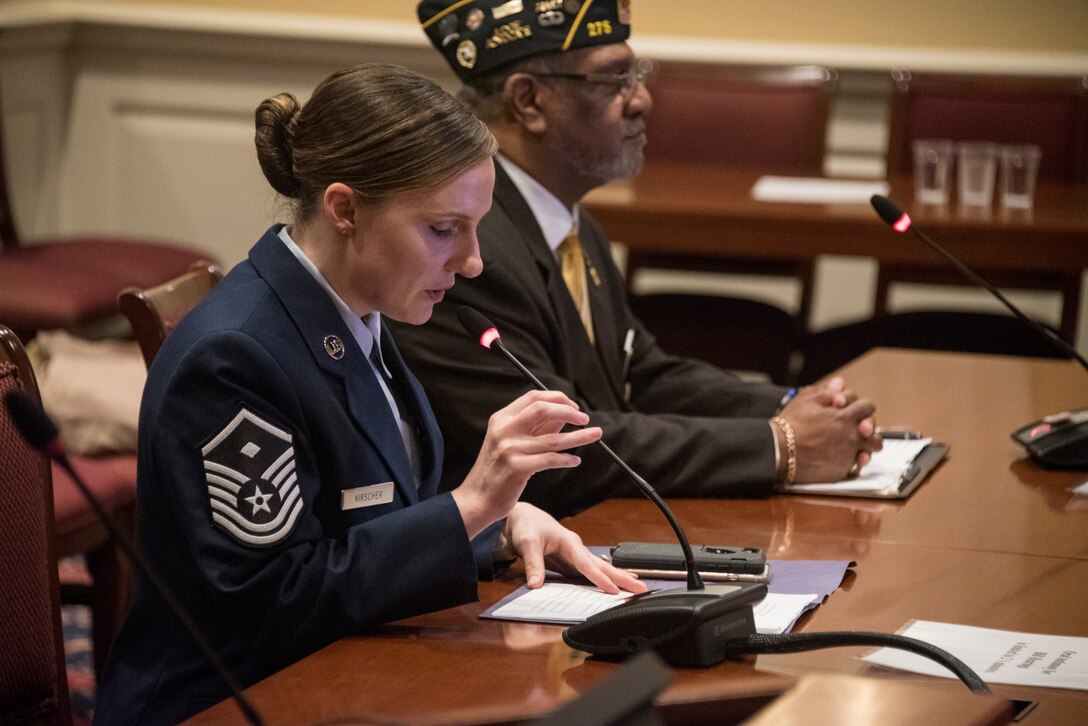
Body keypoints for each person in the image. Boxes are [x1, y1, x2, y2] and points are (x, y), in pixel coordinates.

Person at [94, 63, 642, 724]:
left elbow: (362, 525)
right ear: (346, 209)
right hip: (230, 701)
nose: (471, 263)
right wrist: (468, 508)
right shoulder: (233, 358)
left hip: (339, 672)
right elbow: (269, 601)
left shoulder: (359, 312)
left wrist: (499, 528)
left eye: (476, 227)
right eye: (444, 230)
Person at [389, 1, 883, 519]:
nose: (643, 100)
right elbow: (557, 447)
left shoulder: (573, 227)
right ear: (529, 101)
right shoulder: (469, 252)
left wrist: (792, 407)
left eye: (636, 75)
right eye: (614, 79)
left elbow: (640, 373)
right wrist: (778, 445)